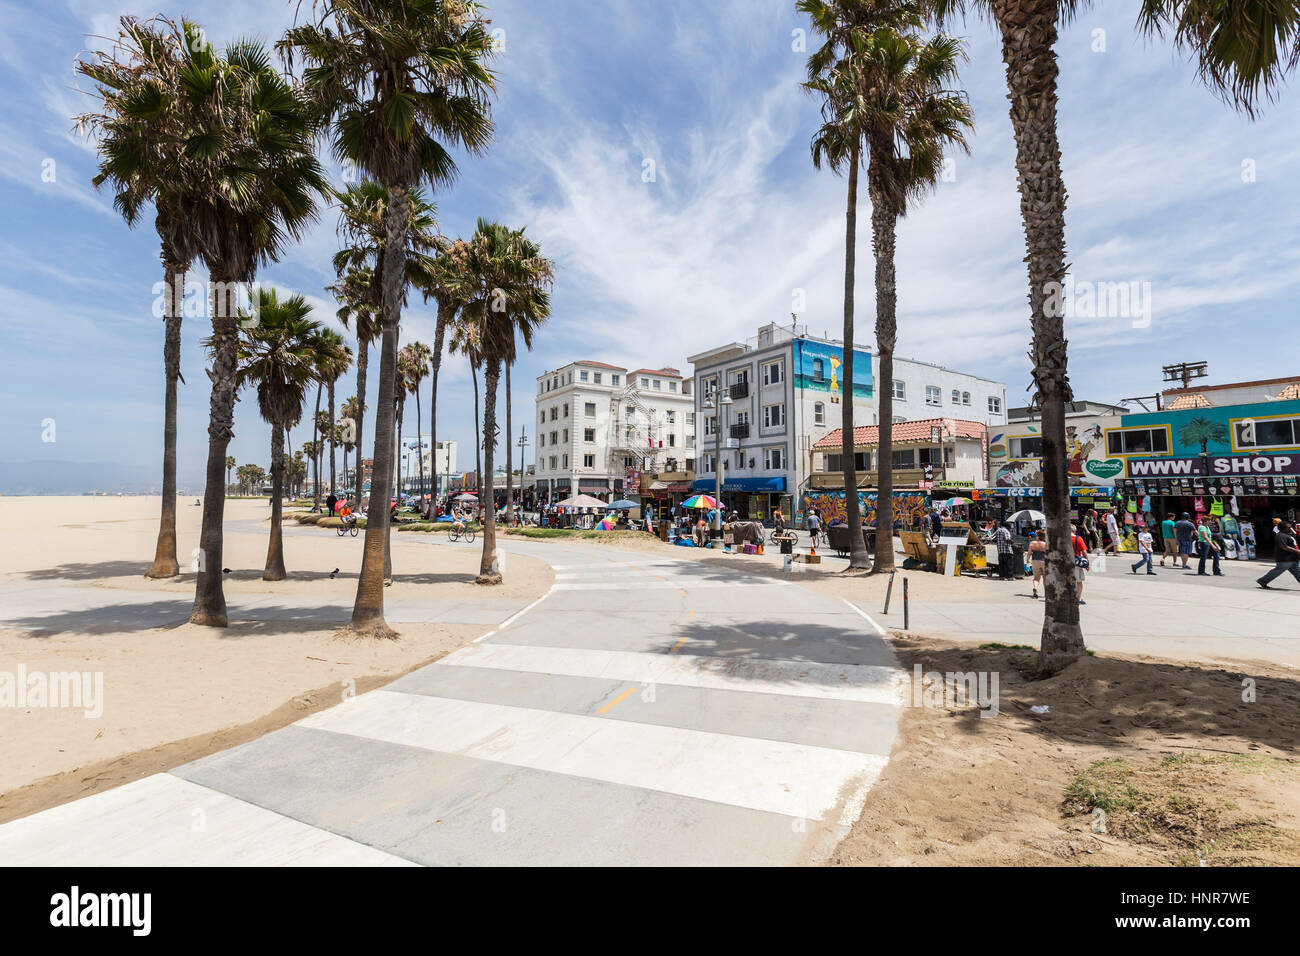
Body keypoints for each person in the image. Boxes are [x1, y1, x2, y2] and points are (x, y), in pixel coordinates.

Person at [1258, 521, 1300, 589]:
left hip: (1293, 559)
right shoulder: (1280, 535)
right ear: (1283, 528)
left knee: (1298, 573)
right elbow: (1284, 547)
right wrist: (1297, 551)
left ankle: (1262, 581)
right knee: (1276, 572)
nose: (1290, 528)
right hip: (1285, 559)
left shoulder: (1288, 535)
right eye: (1288, 527)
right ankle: (1262, 581)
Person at [1072, 523, 1089, 604]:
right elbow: (1084, 552)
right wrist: (1087, 564)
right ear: (1074, 531)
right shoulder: (1078, 539)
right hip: (1076, 563)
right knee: (1079, 582)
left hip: (1064, 562)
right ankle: (1077, 599)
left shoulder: (1063, 538)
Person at [1028, 530, 1047, 599]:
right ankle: (1046, 593)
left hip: (1035, 560)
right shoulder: (1046, 544)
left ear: (1038, 536)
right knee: (1045, 577)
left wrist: (1027, 560)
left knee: (1036, 577)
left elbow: (1029, 553)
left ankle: (1035, 588)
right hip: (1044, 561)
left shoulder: (1032, 543)